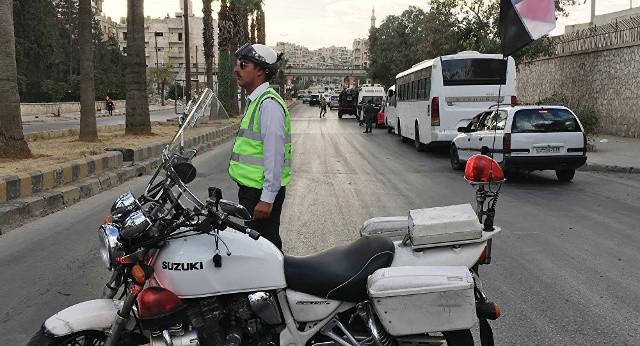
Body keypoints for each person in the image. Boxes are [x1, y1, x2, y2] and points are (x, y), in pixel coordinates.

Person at [229, 43, 290, 251]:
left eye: (243, 65)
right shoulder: (256, 101)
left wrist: (267, 199)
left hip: (259, 195)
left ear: (260, 72)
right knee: (257, 250)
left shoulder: (269, 104)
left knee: (266, 250)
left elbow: (275, 155)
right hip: (250, 191)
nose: (237, 69)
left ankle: (278, 284)